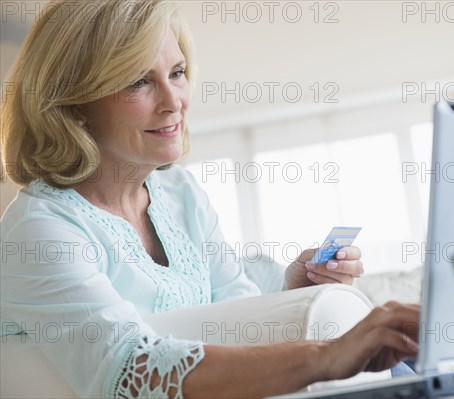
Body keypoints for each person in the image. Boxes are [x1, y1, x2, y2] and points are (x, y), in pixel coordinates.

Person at [0, 1, 420, 397]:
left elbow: (235, 313)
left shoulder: (180, 193)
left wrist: (293, 294)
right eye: (139, 81)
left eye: (177, 72)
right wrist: (328, 356)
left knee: (403, 368)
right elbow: (131, 369)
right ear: (75, 104)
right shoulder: (40, 229)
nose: (173, 102)